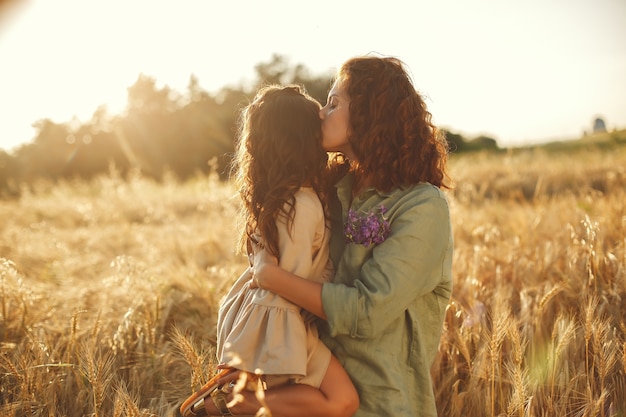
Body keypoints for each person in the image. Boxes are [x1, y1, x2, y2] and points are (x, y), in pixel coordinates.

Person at [206, 55, 453, 417]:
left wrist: (270, 276)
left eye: (334, 103)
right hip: (302, 395)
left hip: (379, 404)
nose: (321, 113)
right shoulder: (326, 188)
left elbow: (367, 311)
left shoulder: (421, 207)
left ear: (371, 114)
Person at [179, 85, 359, 417]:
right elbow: (286, 283)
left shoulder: (281, 196)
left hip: (266, 317)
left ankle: (225, 403)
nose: (323, 117)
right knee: (342, 400)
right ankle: (224, 405)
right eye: (316, 118)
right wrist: (263, 351)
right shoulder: (301, 204)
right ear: (303, 138)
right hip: (280, 325)